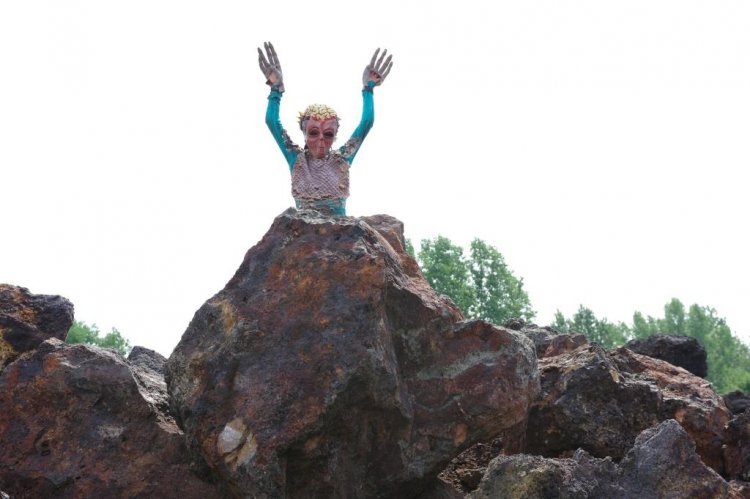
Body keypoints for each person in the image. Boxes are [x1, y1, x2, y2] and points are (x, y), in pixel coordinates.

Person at [258, 42, 393, 216]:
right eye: (314, 133)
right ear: (304, 133)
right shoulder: (297, 160)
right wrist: (276, 89)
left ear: (335, 136)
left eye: (328, 134)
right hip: (302, 228)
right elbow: (271, 121)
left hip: (340, 229)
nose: (321, 139)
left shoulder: (342, 159)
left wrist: (368, 88)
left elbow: (366, 122)